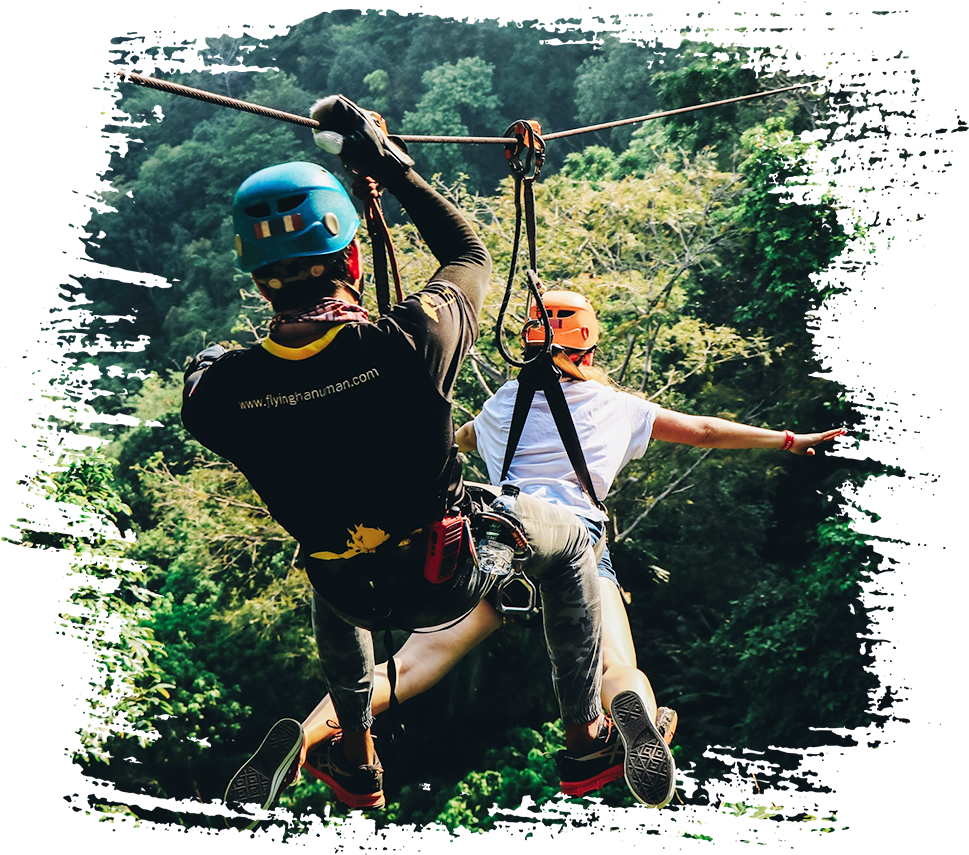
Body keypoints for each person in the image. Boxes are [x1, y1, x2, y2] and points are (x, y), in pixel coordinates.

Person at [181, 96, 611, 831]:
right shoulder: (407, 345)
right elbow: (468, 256)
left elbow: (208, 363)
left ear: (258, 282)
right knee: (571, 538)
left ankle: (355, 748)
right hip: (450, 574)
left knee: (328, 539)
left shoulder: (219, 399)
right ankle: (584, 739)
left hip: (356, 594)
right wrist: (391, 167)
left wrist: (226, 359)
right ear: (352, 257)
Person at [275, 290, 848, 813]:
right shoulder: (620, 408)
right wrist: (788, 440)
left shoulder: (501, 403)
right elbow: (702, 431)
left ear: (526, 347)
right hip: (572, 544)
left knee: (402, 668)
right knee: (615, 665)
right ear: (590, 349)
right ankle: (633, 721)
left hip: (495, 542)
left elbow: (452, 440)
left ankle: (303, 737)